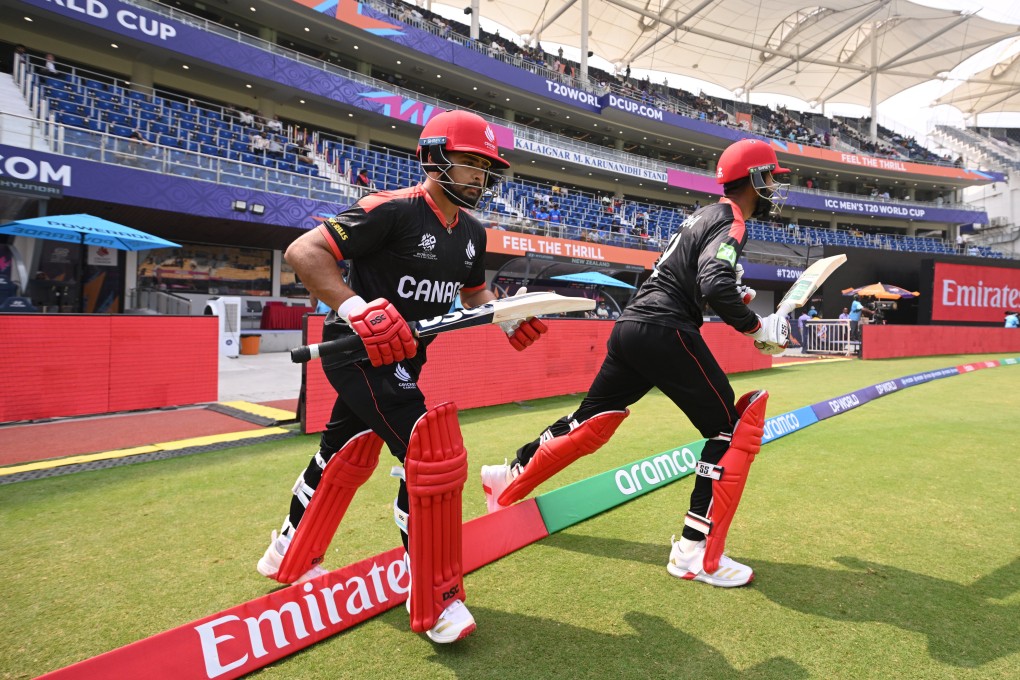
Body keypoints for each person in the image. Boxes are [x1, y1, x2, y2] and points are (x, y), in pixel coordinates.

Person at [257, 110, 548, 644]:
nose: (479, 179)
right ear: (435, 158)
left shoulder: (473, 233)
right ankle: (435, 600)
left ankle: (288, 555)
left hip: (406, 361)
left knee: (343, 454)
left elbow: (473, 293)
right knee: (430, 457)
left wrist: (505, 319)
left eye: (486, 169)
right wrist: (354, 307)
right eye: (469, 165)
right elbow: (305, 251)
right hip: (360, 355)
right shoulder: (389, 211)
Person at [479, 138, 792, 588]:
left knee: (591, 422)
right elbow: (714, 282)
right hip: (665, 329)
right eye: (772, 180)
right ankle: (694, 553)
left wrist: (734, 300)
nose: (774, 191)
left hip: (632, 327)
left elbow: (696, 279)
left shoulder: (702, 215)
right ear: (756, 179)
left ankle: (506, 477)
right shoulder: (732, 221)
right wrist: (756, 328)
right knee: (730, 433)